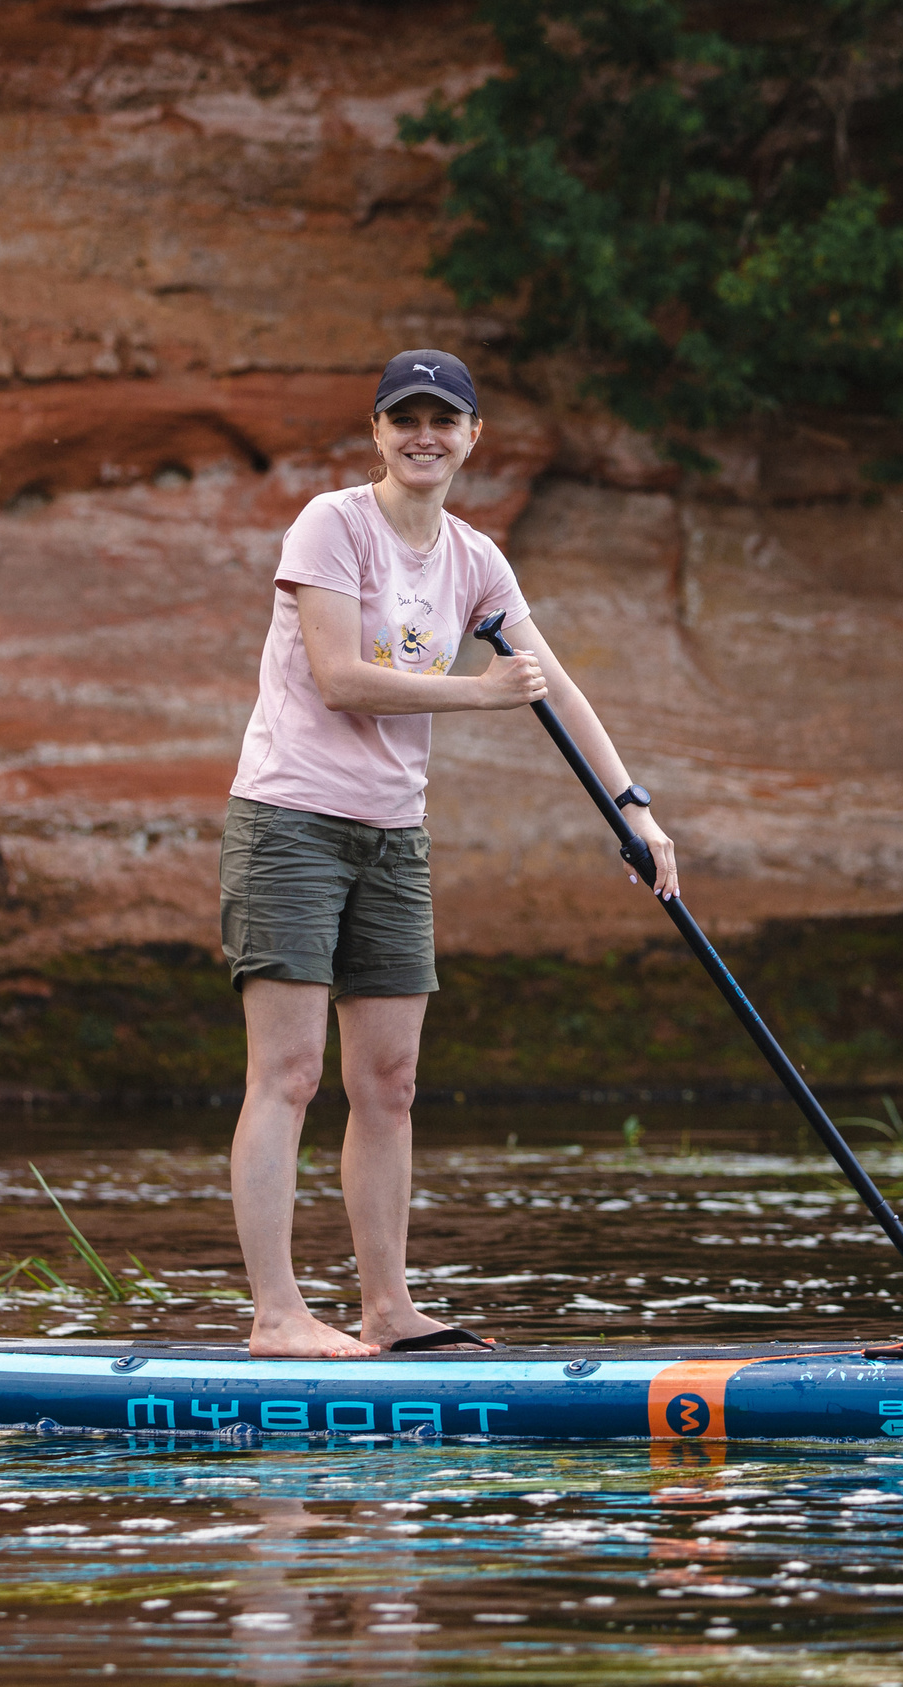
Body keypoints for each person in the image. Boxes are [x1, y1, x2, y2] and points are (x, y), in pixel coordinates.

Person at [220, 349, 680, 1359]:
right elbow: (341, 678)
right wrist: (478, 692)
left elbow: (551, 685)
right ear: (377, 433)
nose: (423, 434)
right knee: (290, 1074)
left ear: (472, 437)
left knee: (388, 1083)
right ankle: (277, 1316)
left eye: (444, 419)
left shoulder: (475, 561)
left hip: (395, 837)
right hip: (291, 820)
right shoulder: (332, 525)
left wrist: (634, 810)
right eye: (404, 418)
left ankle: (386, 1309)